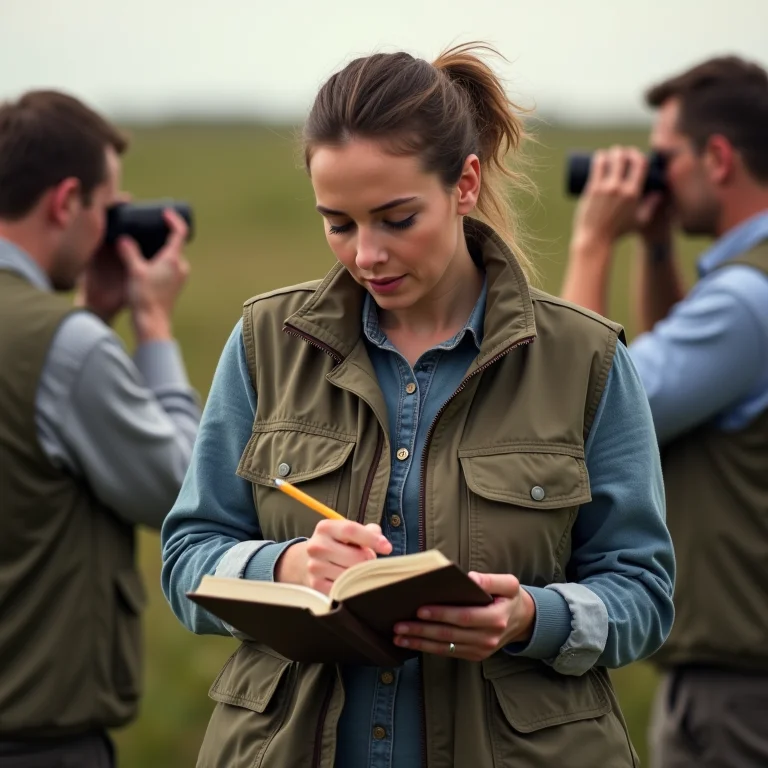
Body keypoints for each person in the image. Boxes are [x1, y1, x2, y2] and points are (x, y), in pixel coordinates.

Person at [162, 43, 674, 767]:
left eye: (396, 219)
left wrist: (532, 616)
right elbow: (187, 556)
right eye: (339, 223)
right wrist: (285, 568)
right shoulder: (264, 344)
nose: (366, 254)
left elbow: (644, 594)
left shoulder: (585, 358)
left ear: (464, 184)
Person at [560, 56, 768, 768]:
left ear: (718, 158)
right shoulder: (748, 287)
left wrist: (592, 242)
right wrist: (653, 246)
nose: (654, 175)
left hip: (738, 687)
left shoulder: (744, 302)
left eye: (664, 158)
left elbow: (582, 409)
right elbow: (678, 390)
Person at [0, 91, 200, 766]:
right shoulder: (63, 345)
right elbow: (179, 487)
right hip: (35, 743)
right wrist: (153, 326)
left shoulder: (64, 341)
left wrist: (92, 318)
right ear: (65, 202)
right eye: (106, 207)